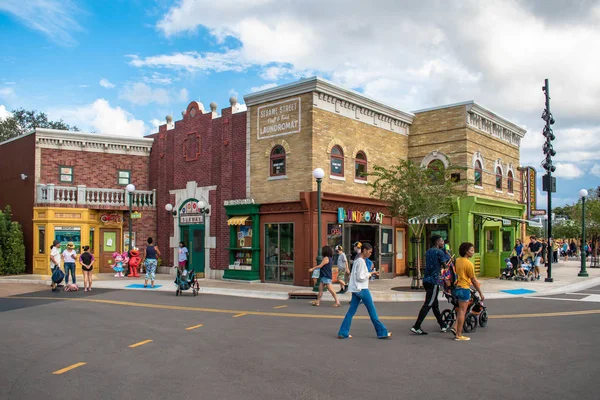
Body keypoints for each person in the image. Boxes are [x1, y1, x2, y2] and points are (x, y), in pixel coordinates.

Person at [337, 243, 392, 339]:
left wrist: (371, 273)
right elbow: (360, 277)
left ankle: (343, 332)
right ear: (365, 250)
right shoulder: (361, 261)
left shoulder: (357, 260)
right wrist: (370, 274)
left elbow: (358, 275)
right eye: (370, 252)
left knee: (351, 312)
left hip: (356, 289)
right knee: (372, 311)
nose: (370, 254)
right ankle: (382, 332)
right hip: (362, 289)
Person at [411, 235, 450, 335]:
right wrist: (446, 253)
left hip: (426, 280)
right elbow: (445, 266)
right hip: (434, 281)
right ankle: (417, 326)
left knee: (434, 304)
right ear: (437, 242)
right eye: (441, 241)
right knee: (428, 304)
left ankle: (442, 324)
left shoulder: (428, 251)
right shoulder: (440, 252)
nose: (443, 242)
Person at [452, 242, 484, 341]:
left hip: (457, 287)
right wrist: (480, 292)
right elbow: (473, 280)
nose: (473, 252)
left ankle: (455, 327)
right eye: (471, 250)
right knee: (462, 311)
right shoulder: (469, 264)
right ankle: (459, 334)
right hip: (464, 288)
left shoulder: (457, 260)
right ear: (466, 251)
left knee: (460, 310)